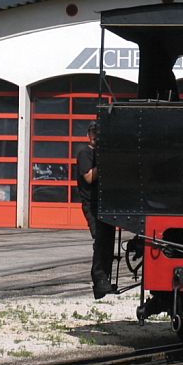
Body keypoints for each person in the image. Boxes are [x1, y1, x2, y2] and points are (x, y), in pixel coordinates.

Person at [75, 121, 115, 299]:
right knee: (99, 241)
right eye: (93, 133)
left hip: (105, 203)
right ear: (88, 135)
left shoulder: (100, 153)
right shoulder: (85, 153)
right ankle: (98, 278)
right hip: (91, 204)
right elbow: (89, 177)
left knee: (108, 241)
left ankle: (104, 279)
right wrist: (105, 162)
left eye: (98, 133)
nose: (95, 136)